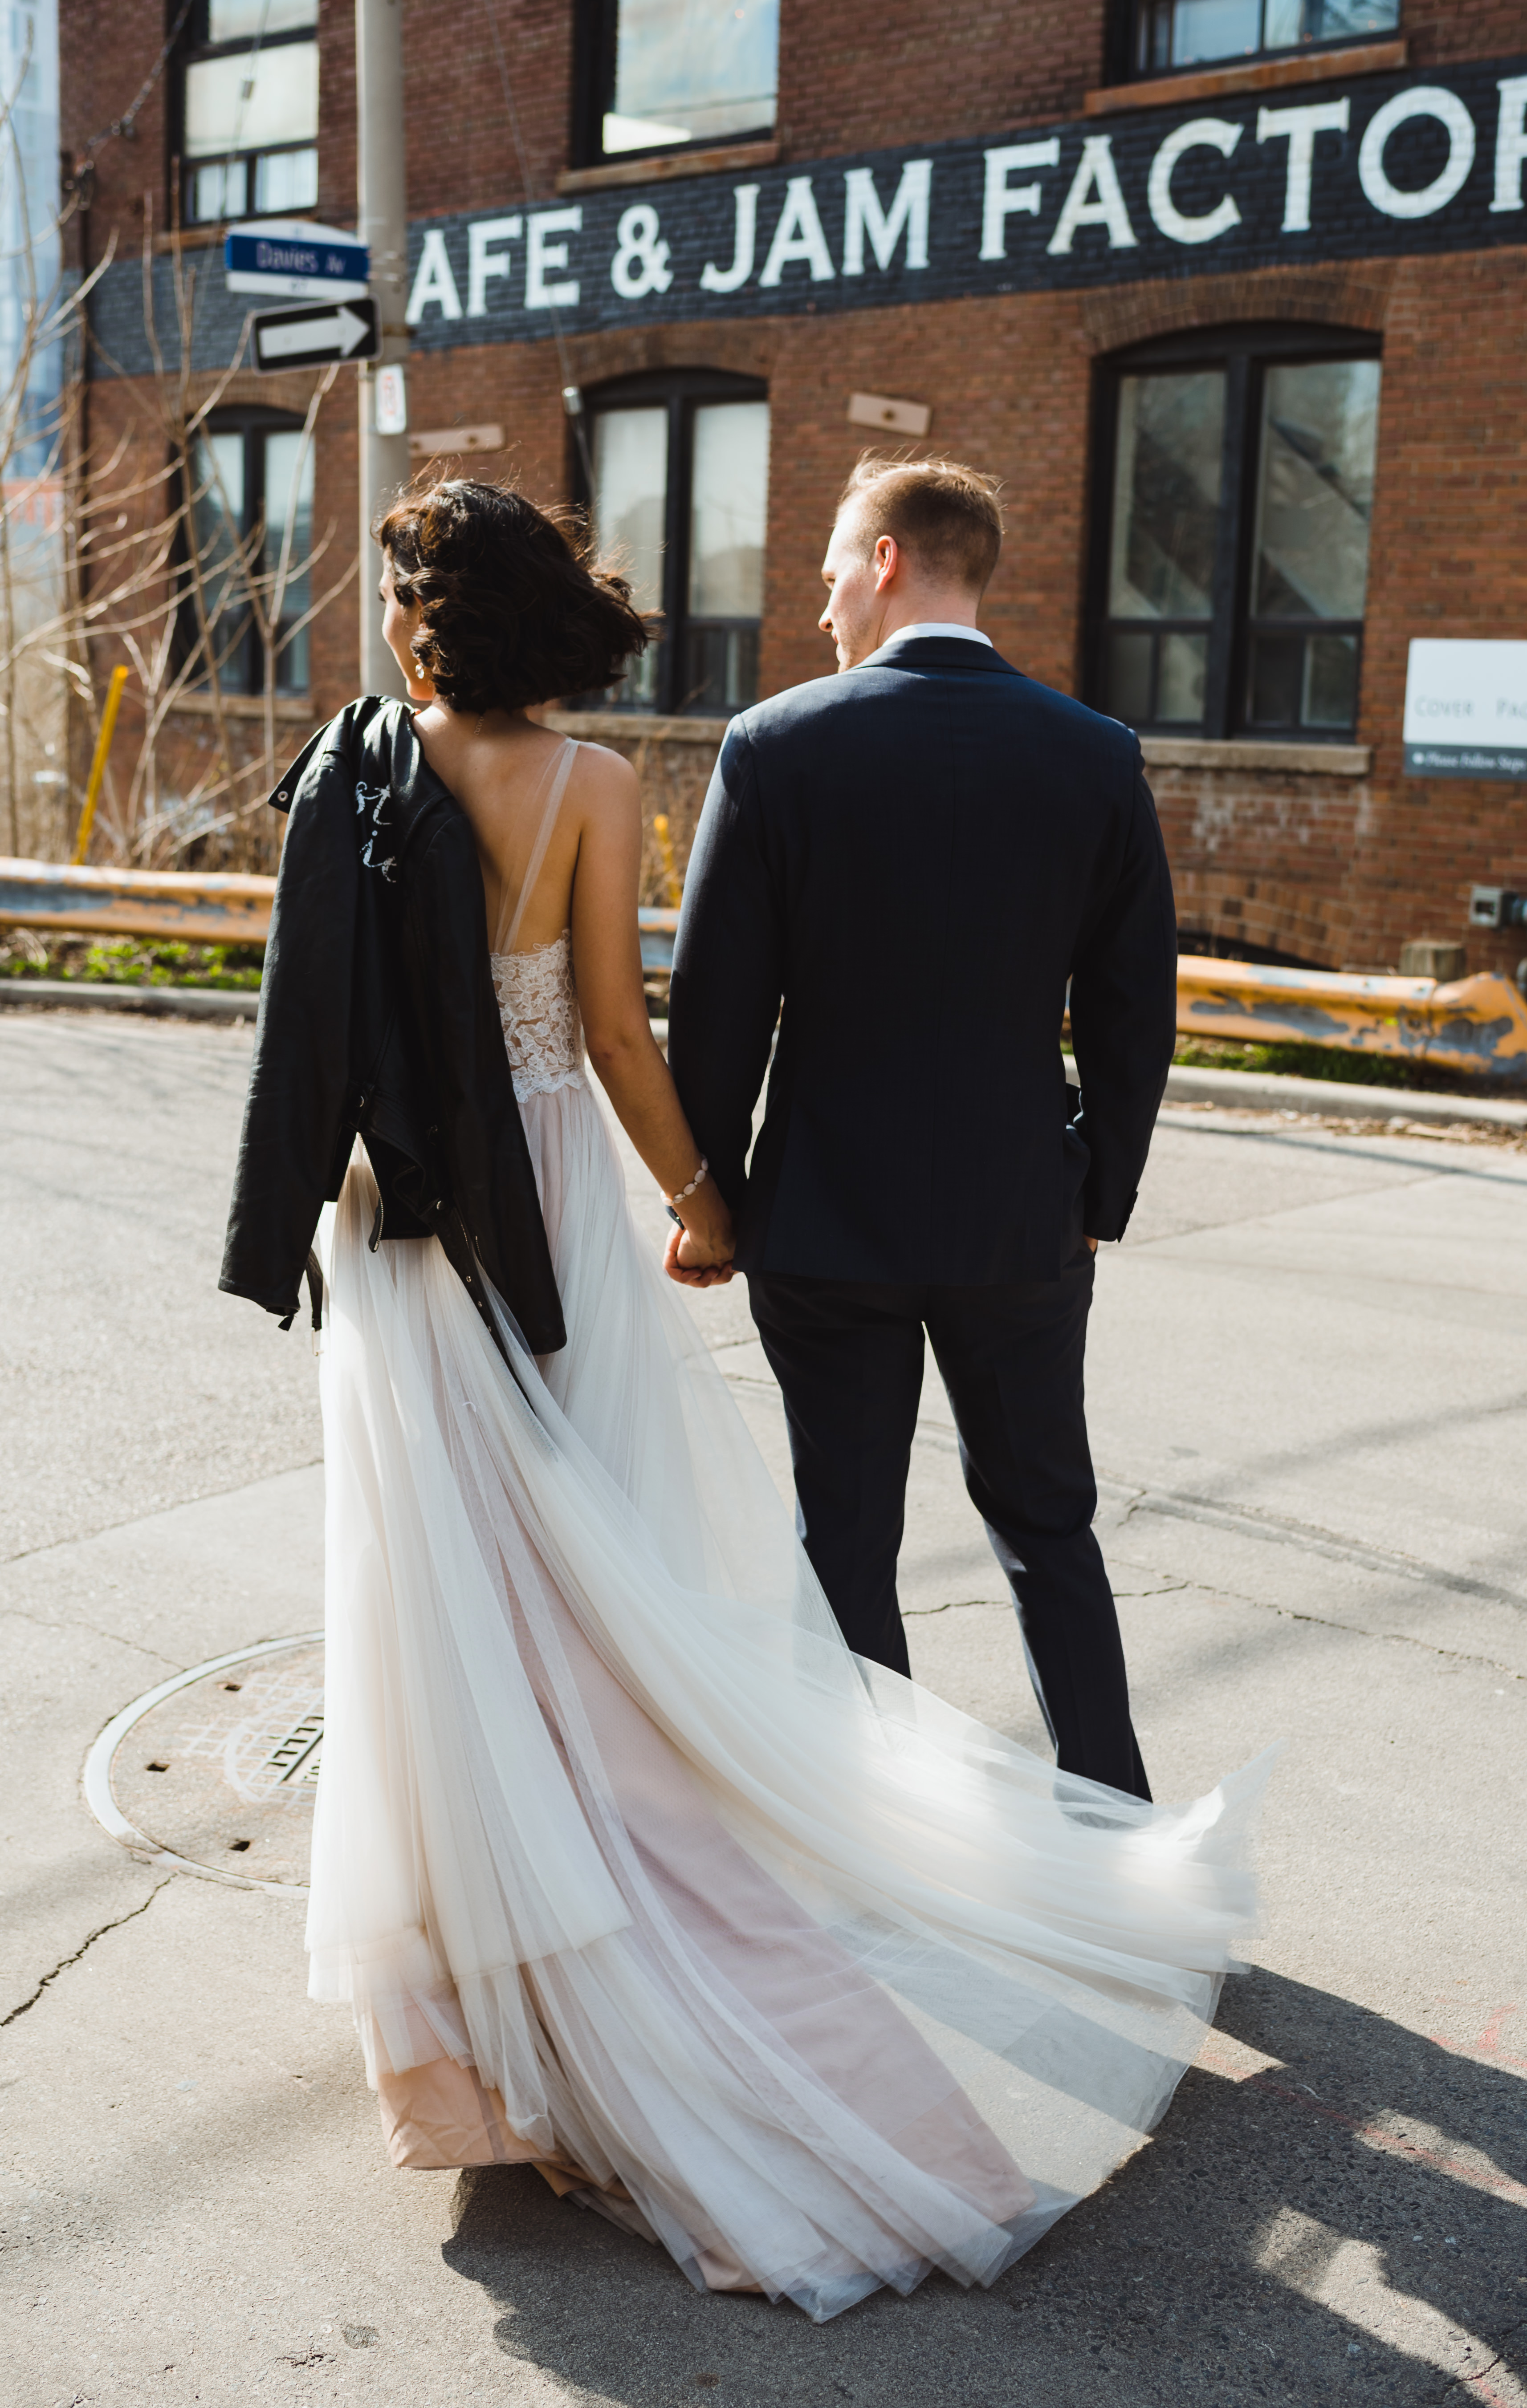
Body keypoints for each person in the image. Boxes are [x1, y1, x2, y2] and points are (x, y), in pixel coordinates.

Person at [223, 479, 1269, 2324]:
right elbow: (1118, 996)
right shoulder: (1079, 749)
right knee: (1019, 1527)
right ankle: (1086, 1832)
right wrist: (1042, 1186)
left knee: (595, 1574)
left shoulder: (594, 756)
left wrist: (743, 1199)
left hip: (497, 1234)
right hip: (890, 1213)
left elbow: (668, 1007)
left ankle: (581, 1958)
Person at [670, 456, 1177, 1801]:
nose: (821, 594)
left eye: (834, 564)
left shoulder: (775, 746)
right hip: (1020, 1217)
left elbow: (716, 1013)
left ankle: (869, 1826)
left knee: (841, 1535)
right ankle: (1115, 1813)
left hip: (825, 1221)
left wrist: (703, 1195)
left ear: (887, 560)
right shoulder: (1095, 756)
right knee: (1046, 1525)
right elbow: (1133, 1016)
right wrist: (1095, 1193)